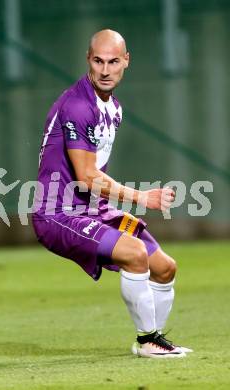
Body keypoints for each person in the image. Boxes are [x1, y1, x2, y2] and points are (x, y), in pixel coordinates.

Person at [32, 29, 192, 358]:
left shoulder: (113, 108)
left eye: (113, 62)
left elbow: (93, 176)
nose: (105, 70)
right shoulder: (79, 106)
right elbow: (88, 176)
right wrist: (142, 198)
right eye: (98, 61)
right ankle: (148, 340)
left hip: (92, 209)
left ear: (126, 61)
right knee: (135, 253)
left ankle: (154, 340)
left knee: (164, 267)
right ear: (88, 61)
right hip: (58, 213)